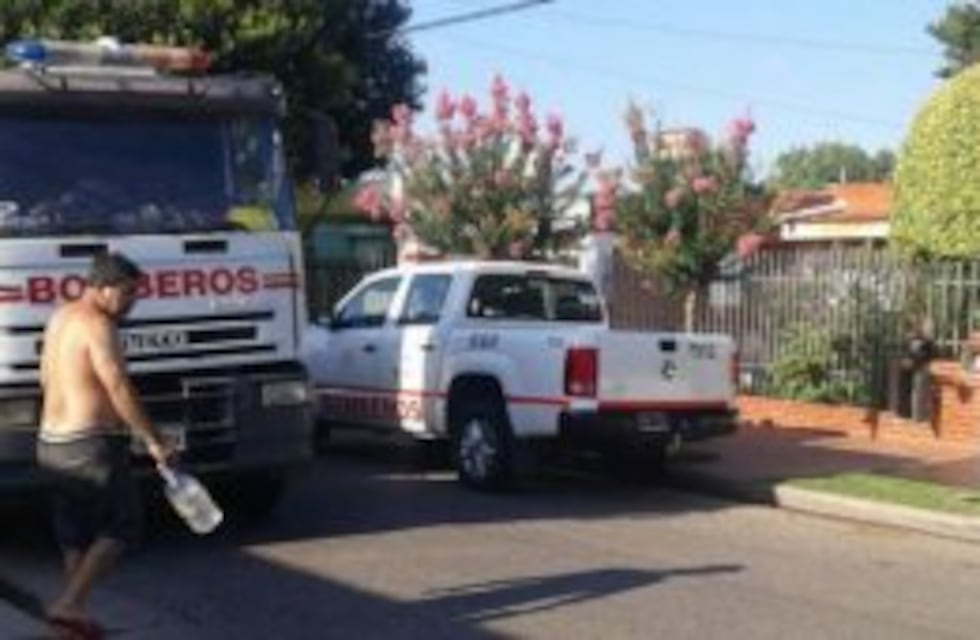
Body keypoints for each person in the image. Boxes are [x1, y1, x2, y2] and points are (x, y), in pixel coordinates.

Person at [36, 251, 173, 638]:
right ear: (102, 288)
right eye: (128, 293)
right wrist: (153, 439)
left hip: (51, 443)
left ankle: (70, 622)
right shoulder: (98, 325)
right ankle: (70, 605)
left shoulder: (60, 318)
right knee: (124, 524)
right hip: (89, 444)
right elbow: (117, 385)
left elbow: (46, 376)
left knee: (74, 533)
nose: (133, 302)